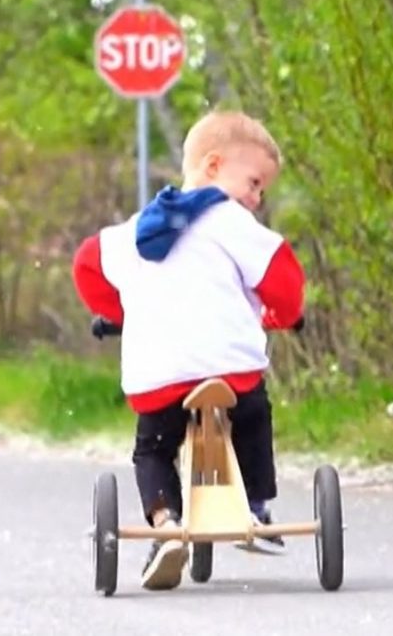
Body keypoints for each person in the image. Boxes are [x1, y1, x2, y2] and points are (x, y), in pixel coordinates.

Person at [71, 109, 306, 590]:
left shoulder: (134, 232)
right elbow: (282, 274)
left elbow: (86, 264)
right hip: (228, 371)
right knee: (253, 417)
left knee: (153, 449)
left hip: (158, 374)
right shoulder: (232, 223)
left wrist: (119, 311)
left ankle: (166, 523)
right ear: (215, 166)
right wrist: (284, 313)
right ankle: (256, 505)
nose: (257, 199)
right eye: (256, 183)